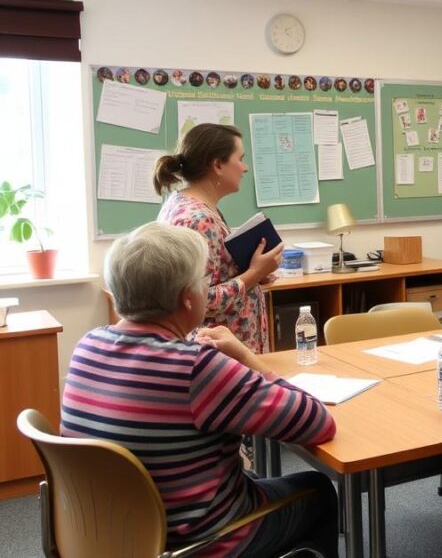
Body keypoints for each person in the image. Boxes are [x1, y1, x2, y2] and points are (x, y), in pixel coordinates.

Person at [61, 222, 339, 557]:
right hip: (198, 542)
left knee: (251, 478)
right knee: (318, 489)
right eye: (204, 281)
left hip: (108, 533)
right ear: (187, 299)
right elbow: (317, 421)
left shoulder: (87, 346)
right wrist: (247, 358)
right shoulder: (196, 368)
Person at [153, 123, 283, 354]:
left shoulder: (183, 204)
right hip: (218, 352)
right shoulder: (198, 220)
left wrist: (254, 271)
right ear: (218, 165)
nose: (245, 168)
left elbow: (215, 274)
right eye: (240, 159)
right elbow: (198, 299)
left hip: (221, 349)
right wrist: (254, 273)